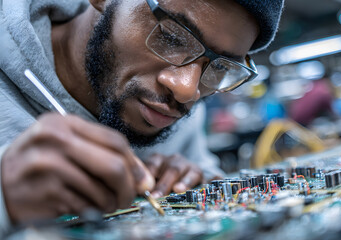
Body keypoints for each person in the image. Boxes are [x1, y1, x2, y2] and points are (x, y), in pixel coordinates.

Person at [0, 0, 284, 233]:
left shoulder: (171, 109)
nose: (187, 90)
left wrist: (191, 180)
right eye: (172, 37)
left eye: (220, 68)